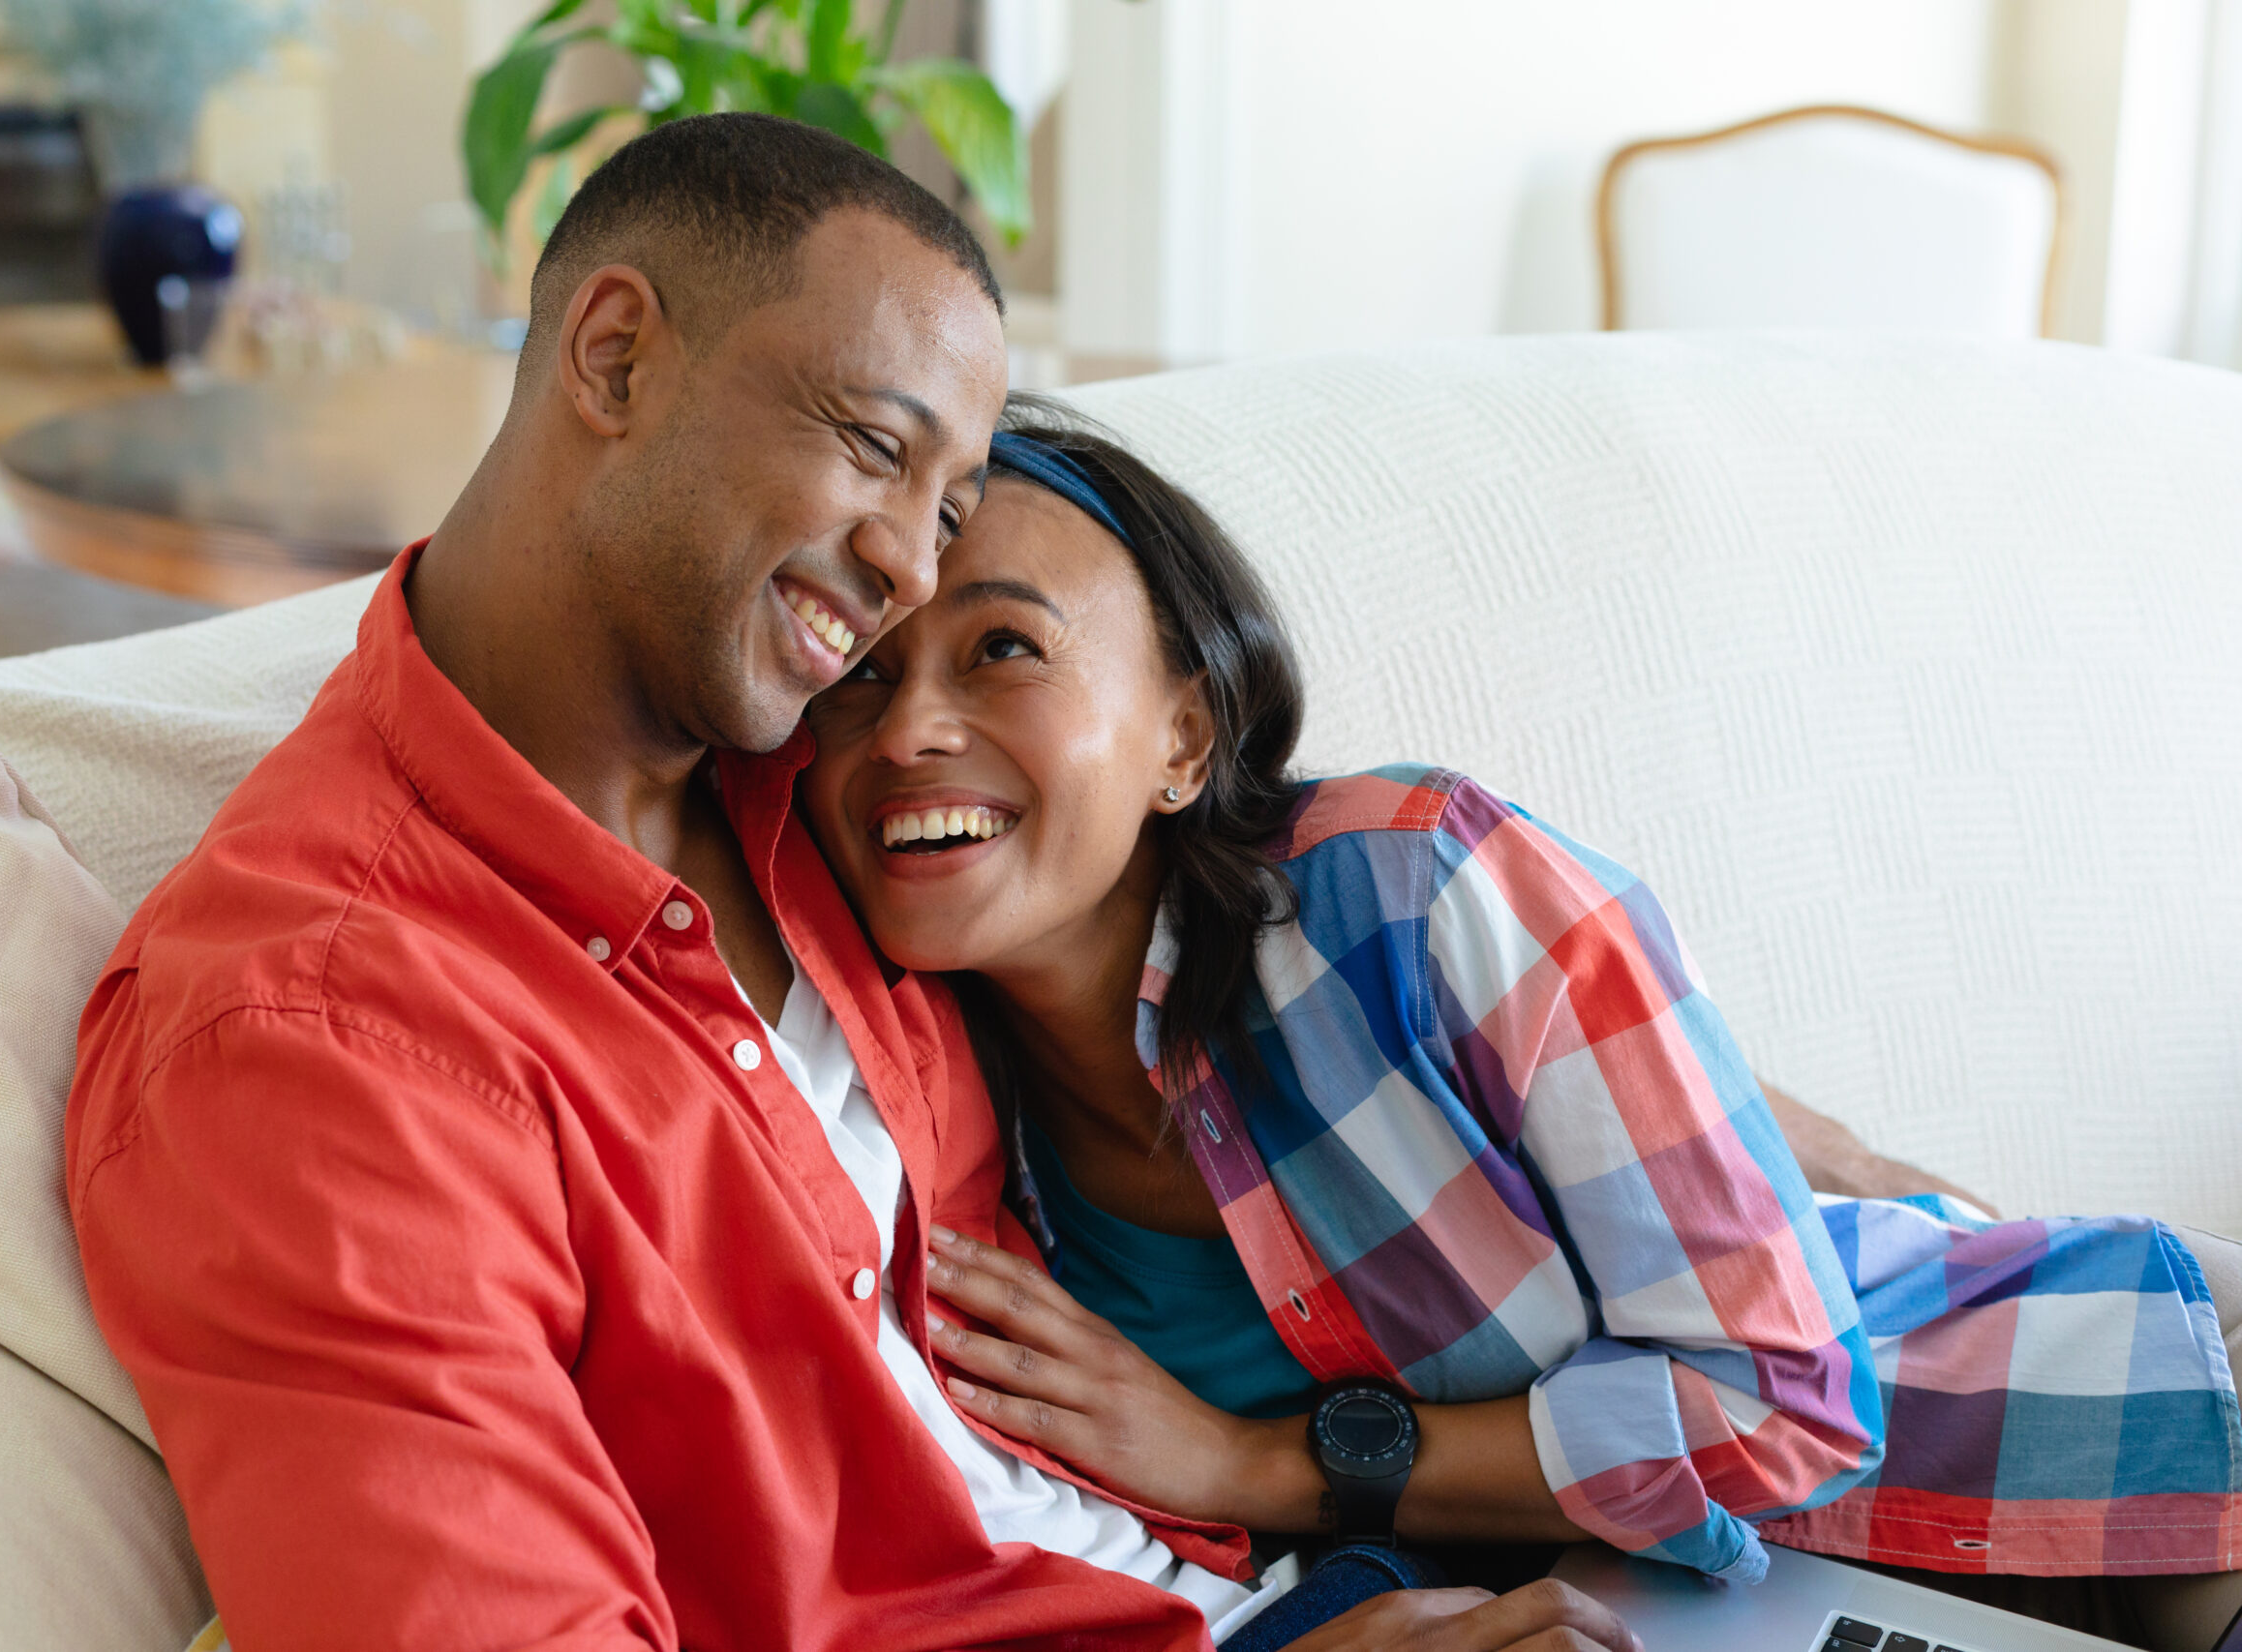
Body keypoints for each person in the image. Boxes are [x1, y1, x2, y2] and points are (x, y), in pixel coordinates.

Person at [66, 115, 1645, 1652]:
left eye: (948, 509)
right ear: (614, 357)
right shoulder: (311, 1029)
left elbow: (1282, 929)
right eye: (877, 450)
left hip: (1330, 1576)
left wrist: (1707, 1104)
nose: (909, 571)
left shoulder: (842, 795)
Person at [797, 405, 2242, 1640]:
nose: (907, 727)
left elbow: (1788, 1405)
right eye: (861, 673)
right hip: (1727, 1613)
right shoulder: (911, 1117)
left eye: (1002, 650)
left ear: (1183, 734)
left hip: (2117, 1453)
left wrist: (1263, 1465)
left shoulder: (1416, 886)